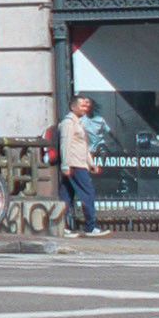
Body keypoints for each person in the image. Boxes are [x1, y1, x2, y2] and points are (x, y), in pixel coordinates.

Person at [57, 93, 101, 237]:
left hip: (78, 163)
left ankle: (63, 226)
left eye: (86, 106)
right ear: (73, 106)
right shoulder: (68, 123)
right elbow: (66, 144)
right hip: (74, 164)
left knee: (66, 195)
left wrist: (91, 163)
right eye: (82, 106)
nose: (85, 109)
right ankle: (90, 227)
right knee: (88, 192)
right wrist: (65, 165)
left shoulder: (78, 123)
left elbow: (83, 146)